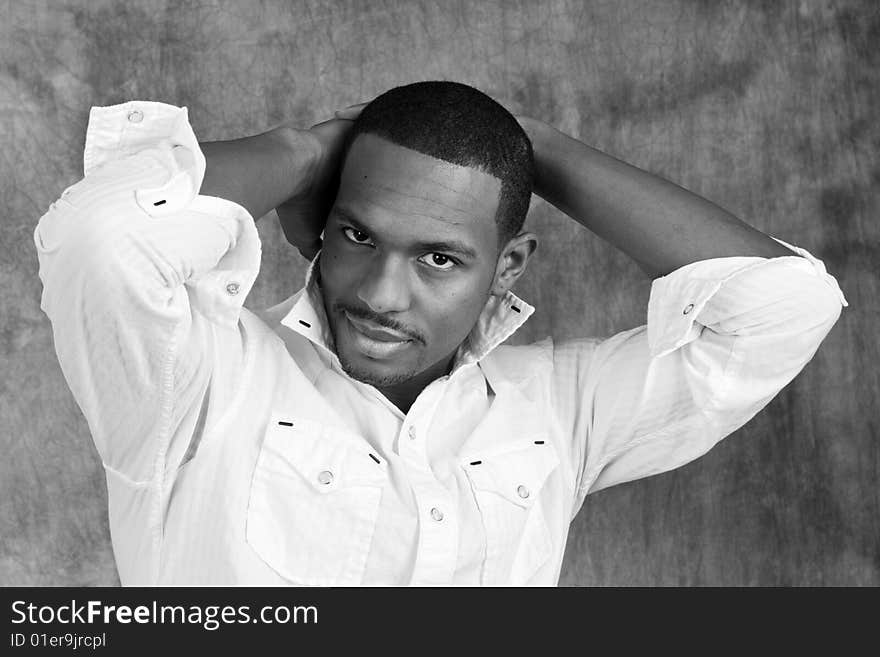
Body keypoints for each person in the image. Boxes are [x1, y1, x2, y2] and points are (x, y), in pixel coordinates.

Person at [34, 81, 847, 586]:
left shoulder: (560, 409)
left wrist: (535, 147)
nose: (383, 294)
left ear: (508, 266)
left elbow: (779, 307)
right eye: (358, 236)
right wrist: (305, 149)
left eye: (440, 258)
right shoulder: (199, 381)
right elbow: (101, 240)